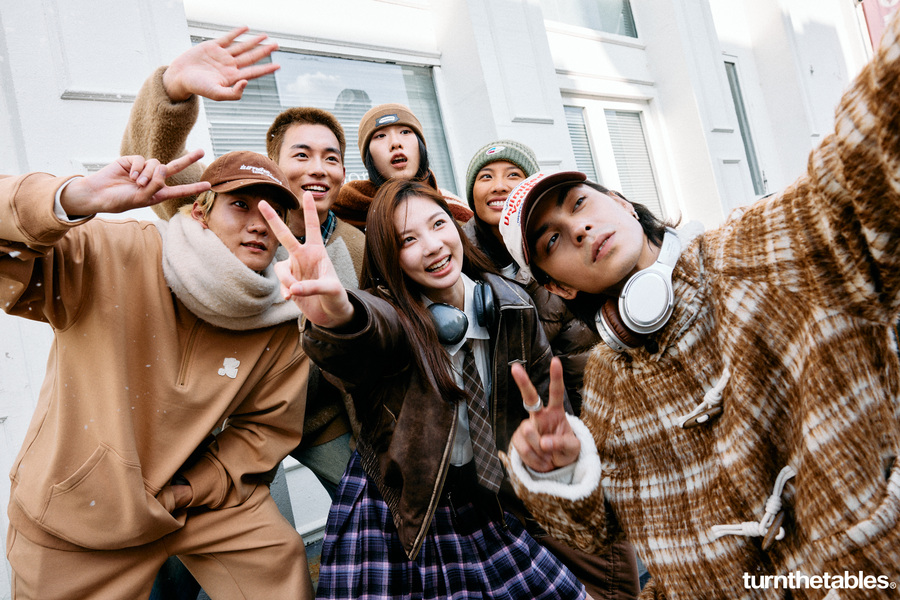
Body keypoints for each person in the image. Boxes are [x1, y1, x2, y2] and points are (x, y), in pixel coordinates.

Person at [495, 12, 900, 599]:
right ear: (559, 287)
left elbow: (858, 178)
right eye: (551, 239)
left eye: (579, 203)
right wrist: (557, 470)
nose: (577, 229)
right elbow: (597, 528)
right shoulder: (607, 380)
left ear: (623, 203)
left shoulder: (752, 250)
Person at [0, 149, 315, 599]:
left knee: (279, 559)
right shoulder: (117, 252)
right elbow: (9, 255)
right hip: (79, 514)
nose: (260, 223)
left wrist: (194, 488)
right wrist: (71, 198)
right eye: (240, 204)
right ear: (201, 211)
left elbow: (266, 430)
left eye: (272, 212)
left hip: (195, 504)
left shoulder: (282, 317)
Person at [259, 180, 587, 599]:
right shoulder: (391, 319)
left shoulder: (513, 308)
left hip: (489, 505)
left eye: (438, 224)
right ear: (389, 257)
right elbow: (365, 330)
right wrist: (337, 313)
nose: (432, 246)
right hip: (404, 512)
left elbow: (549, 418)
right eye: (408, 240)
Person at [120, 27, 365, 500]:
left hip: (324, 417)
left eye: (331, 158)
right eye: (301, 154)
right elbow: (158, 161)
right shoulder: (230, 217)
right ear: (275, 165)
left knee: (368, 506)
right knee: (249, 526)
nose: (318, 168)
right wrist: (173, 91)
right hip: (234, 419)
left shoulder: (356, 242)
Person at [463, 140, 640, 598]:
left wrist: (588, 438)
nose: (499, 185)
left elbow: (582, 364)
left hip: (576, 431)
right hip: (514, 455)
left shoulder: (571, 272)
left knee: (610, 567)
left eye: (513, 175)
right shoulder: (455, 263)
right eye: (486, 176)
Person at [332, 102, 473, 229]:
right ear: (369, 156)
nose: (395, 143)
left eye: (405, 132)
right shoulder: (339, 214)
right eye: (380, 136)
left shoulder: (457, 212)